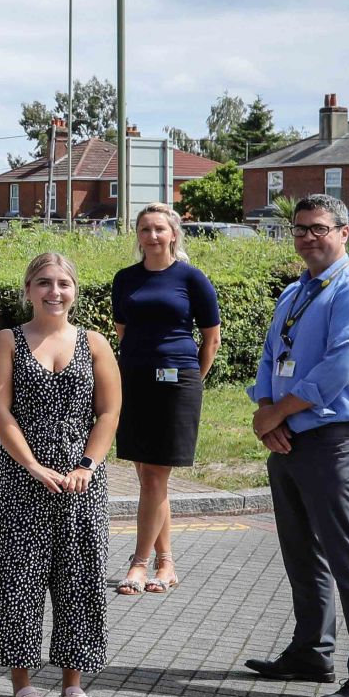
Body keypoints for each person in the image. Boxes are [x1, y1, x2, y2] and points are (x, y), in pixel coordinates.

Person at [244, 194, 349, 697]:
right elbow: (270, 356)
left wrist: (278, 412)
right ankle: (311, 654)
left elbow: (337, 370)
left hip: (337, 443)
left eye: (319, 228)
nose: (308, 237)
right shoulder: (294, 293)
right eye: (300, 229)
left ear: (345, 231)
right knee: (301, 555)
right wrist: (267, 412)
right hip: (289, 438)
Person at [0, 253, 121, 697]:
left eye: (62, 283)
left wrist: (87, 465)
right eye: (43, 283)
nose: (53, 292)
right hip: (22, 481)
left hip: (82, 484)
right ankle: (22, 681)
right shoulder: (8, 341)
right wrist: (35, 467)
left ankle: (73, 682)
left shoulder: (94, 343)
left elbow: (108, 412)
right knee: (20, 579)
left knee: (79, 579)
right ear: (27, 290)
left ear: (74, 290)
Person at [110, 203, 220, 596]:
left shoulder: (191, 278)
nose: (152, 236)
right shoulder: (125, 279)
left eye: (159, 229)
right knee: (148, 478)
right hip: (135, 380)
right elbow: (123, 332)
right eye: (145, 229)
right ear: (137, 236)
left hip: (177, 383)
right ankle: (167, 563)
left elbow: (211, 339)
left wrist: (191, 381)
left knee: (154, 476)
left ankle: (139, 564)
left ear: (174, 233)